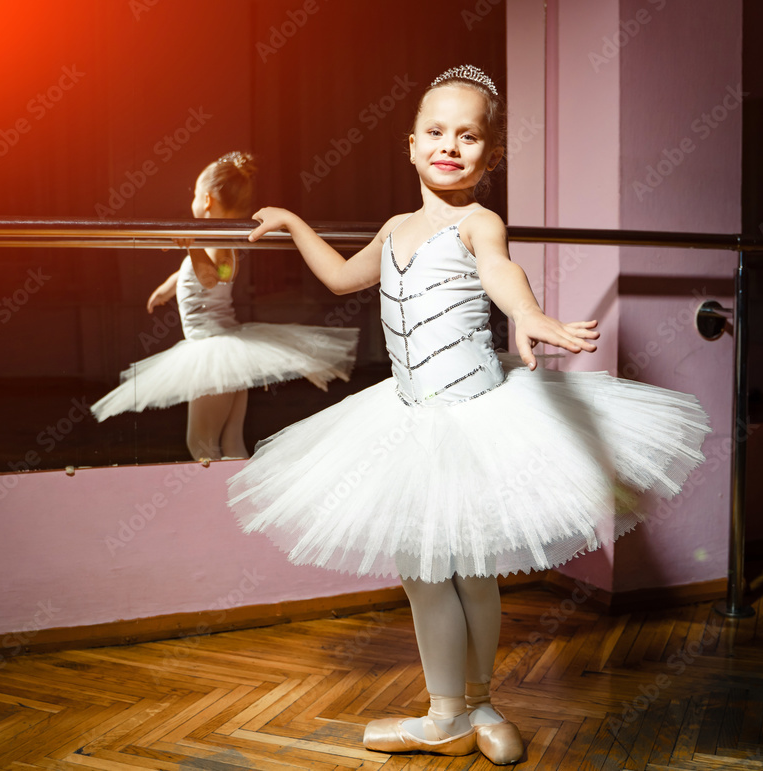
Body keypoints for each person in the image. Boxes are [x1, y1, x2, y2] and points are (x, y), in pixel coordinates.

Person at [228, 67, 710, 763]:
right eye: (436, 132)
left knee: (446, 570)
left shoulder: (480, 222)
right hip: (408, 416)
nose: (450, 145)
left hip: (473, 413)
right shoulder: (396, 226)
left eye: (469, 135)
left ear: (491, 153)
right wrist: (293, 222)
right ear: (411, 144)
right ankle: (471, 706)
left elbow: (501, 273)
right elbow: (339, 277)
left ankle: (453, 712)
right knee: (452, 568)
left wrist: (532, 314)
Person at [91, 152, 359, 461]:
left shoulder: (213, 240)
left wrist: (190, 245)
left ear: (206, 200)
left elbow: (213, 276)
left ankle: (217, 504)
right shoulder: (220, 238)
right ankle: (240, 503)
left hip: (211, 350)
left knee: (201, 445)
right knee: (231, 443)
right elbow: (204, 272)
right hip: (225, 349)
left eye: (193, 194)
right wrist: (168, 287)